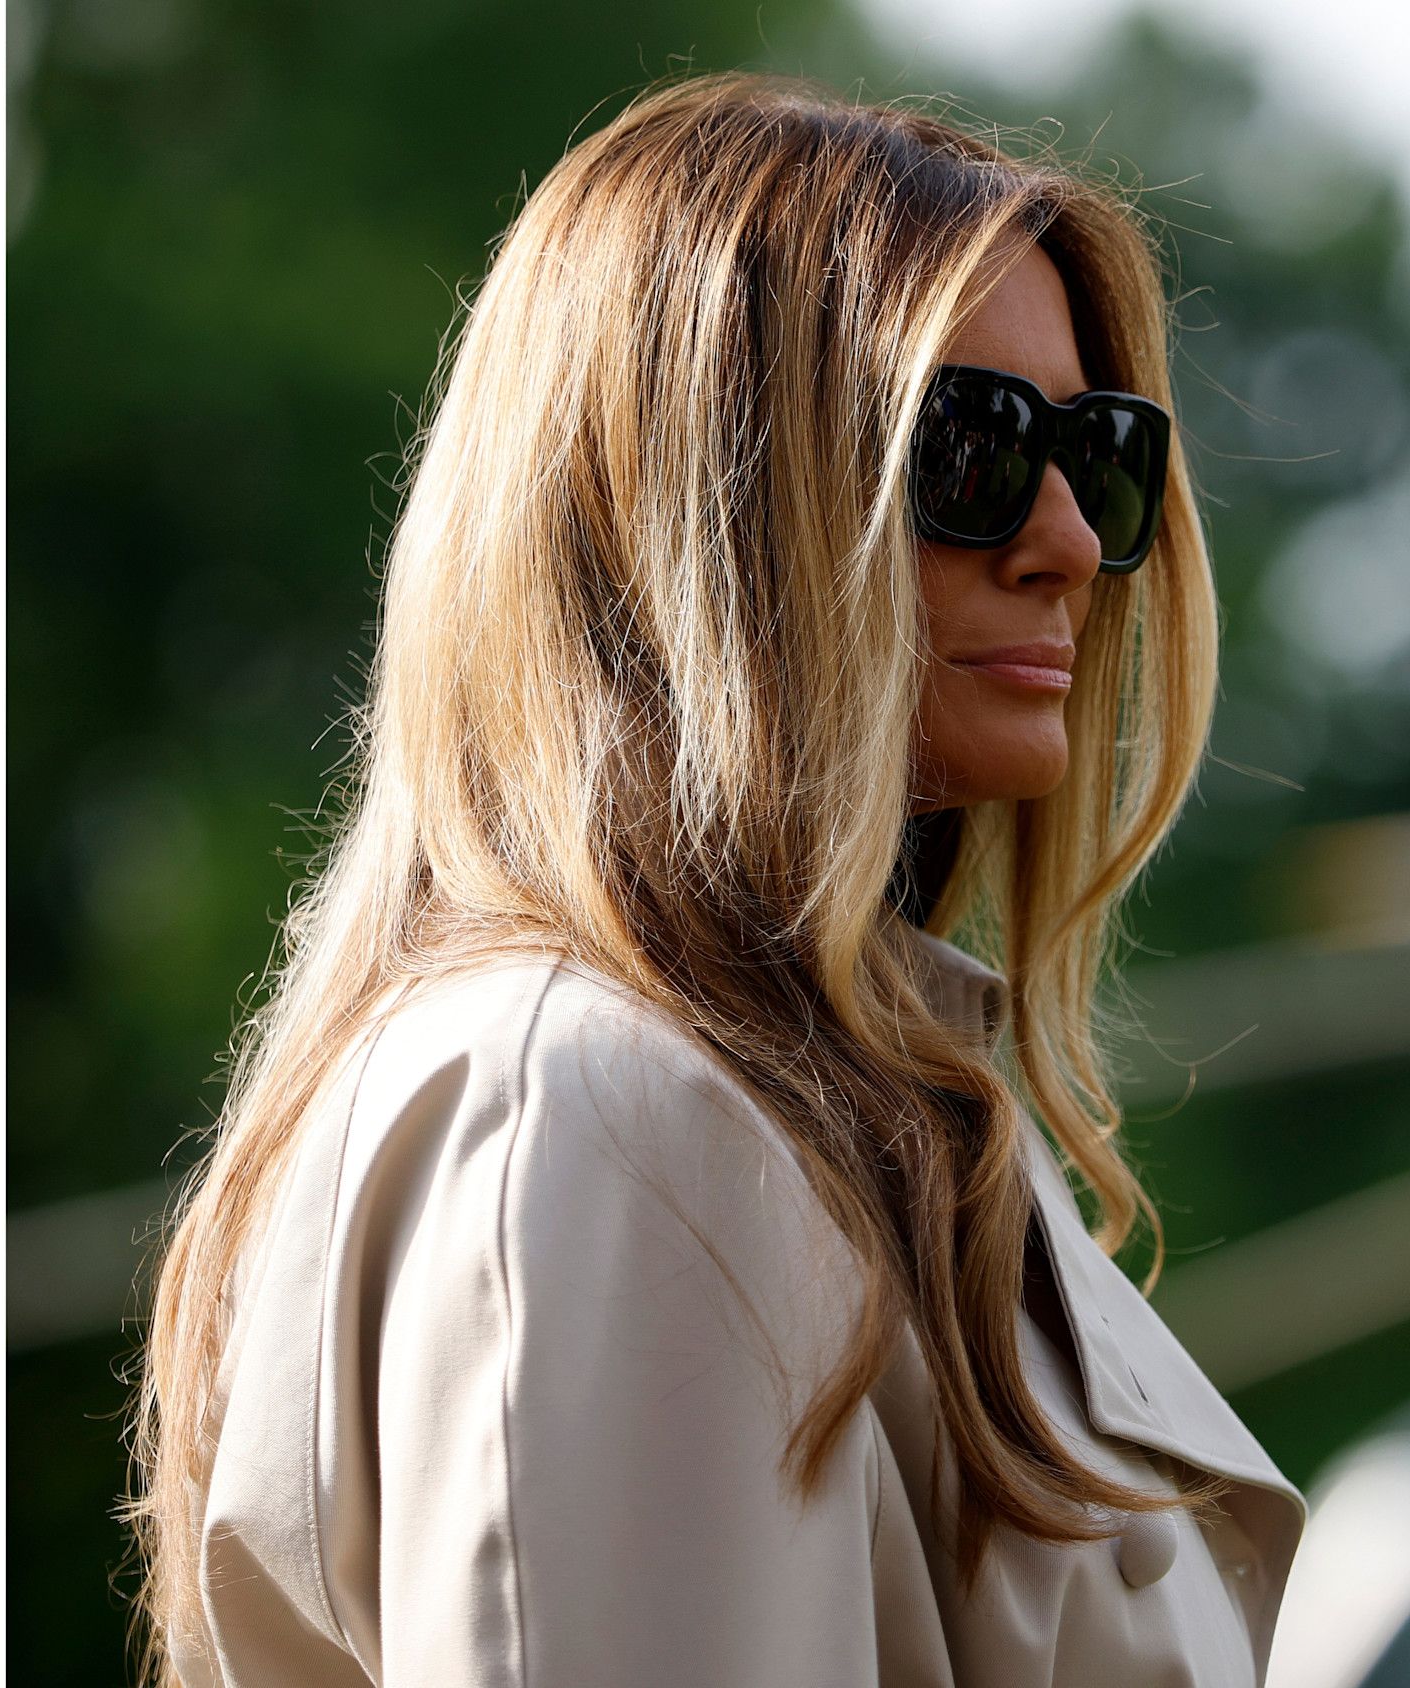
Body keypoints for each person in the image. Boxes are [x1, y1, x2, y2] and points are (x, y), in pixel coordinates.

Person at [130, 76, 1304, 1686]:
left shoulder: (725, 1103)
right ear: (709, 509)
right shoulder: (602, 1115)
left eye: (1096, 459)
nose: (1066, 542)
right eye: (969, 447)